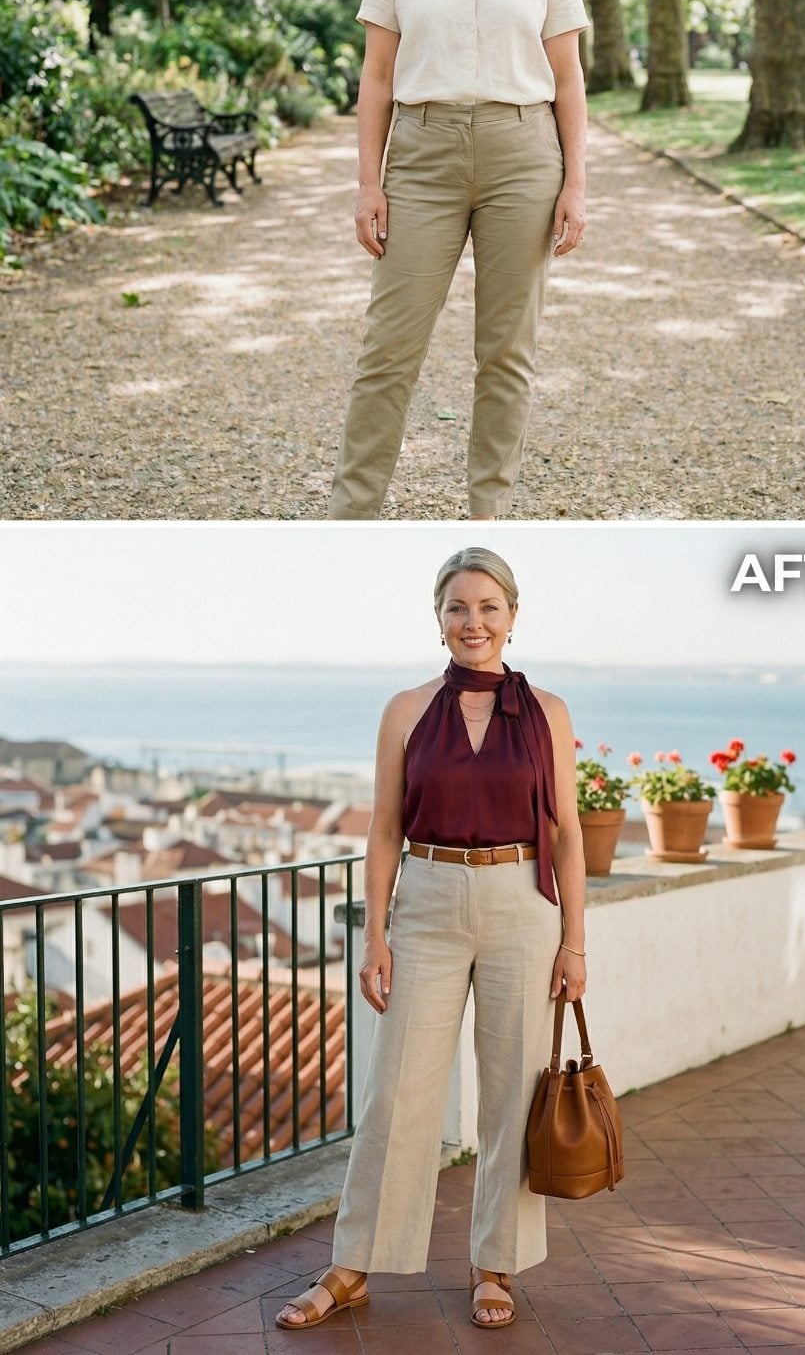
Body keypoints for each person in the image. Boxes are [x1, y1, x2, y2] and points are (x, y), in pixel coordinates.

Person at [276, 546, 586, 1331]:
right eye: (458, 607)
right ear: (439, 618)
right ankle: (352, 1267)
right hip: (428, 898)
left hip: (522, 900)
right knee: (397, 1092)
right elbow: (383, 831)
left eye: (488, 607)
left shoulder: (547, 712)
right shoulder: (407, 709)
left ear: (513, 616)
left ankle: (495, 1265)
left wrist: (574, 942)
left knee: (514, 1091)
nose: (472, 621)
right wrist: (375, 936)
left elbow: (570, 834)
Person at [327, 0, 590, 522]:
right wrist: (367, 184)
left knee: (506, 354)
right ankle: (351, 523)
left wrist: (576, 185)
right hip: (422, 154)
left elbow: (568, 78)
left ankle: (488, 523)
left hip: (523, 152)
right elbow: (376, 78)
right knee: (389, 351)